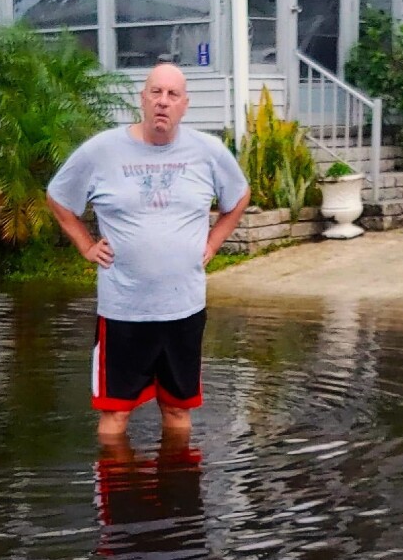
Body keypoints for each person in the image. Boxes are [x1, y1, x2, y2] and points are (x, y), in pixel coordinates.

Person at [46, 63, 250, 442]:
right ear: (142, 99)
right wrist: (86, 246)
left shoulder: (209, 152)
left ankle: (177, 495)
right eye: (155, 92)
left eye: (173, 95)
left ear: (185, 105)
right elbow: (58, 197)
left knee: (177, 410)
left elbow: (238, 197)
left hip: (184, 309)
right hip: (123, 310)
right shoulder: (101, 151)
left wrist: (213, 242)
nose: (163, 102)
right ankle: (119, 497)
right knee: (114, 417)